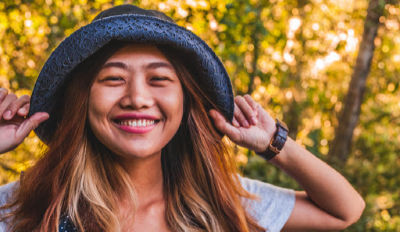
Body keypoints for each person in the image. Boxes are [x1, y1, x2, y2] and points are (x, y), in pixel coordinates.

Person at [0, 4, 364, 232]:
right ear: (82, 100)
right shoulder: (27, 205)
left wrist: (274, 143)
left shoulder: (221, 202)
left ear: (186, 101)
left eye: (159, 79)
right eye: (113, 79)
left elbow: (344, 211)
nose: (137, 98)